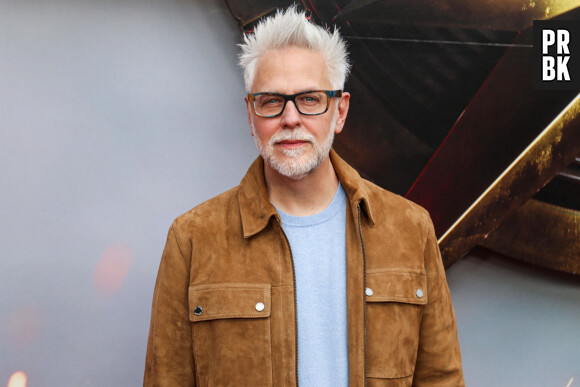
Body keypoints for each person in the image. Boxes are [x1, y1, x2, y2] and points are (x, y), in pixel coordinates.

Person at [144, 6, 464, 387]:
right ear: (251, 116)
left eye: (310, 99)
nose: (291, 118)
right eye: (271, 101)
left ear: (340, 111)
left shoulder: (410, 229)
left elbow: (441, 380)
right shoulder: (193, 240)